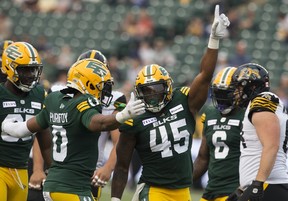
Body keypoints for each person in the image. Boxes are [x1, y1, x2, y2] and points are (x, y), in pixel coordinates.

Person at [111, 5, 230, 201]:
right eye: (146, 92)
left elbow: (205, 75)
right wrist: (115, 198)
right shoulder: (135, 116)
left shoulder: (183, 100)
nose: (152, 96)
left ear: (168, 87)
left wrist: (214, 40)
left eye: (156, 90)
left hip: (183, 191)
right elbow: (123, 165)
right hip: (153, 190)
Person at [1, 58, 146, 201]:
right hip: (73, 188)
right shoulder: (84, 103)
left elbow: (23, 129)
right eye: (103, 86)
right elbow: (99, 123)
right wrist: (123, 115)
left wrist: (5, 125)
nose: (106, 92)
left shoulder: (55, 100)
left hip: (52, 186)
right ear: (89, 84)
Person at [227, 63, 288, 201]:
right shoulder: (257, 103)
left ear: (252, 86)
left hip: (269, 185)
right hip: (266, 184)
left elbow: (271, 145)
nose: (236, 92)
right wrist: (242, 189)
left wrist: (257, 184)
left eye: (240, 86)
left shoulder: (262, 100)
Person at [0, 41, 52, 201]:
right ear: (9, 68)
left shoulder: (39, 94)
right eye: (25, 70)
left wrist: (53, 168)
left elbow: (44, 136)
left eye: (33, 69)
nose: (30, 75)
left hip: (21, 169)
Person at [77, 49, 127, 201]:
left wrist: (107, 167)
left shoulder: (115, 100)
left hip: (91, 171)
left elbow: (120, 142)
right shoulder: (60, 94)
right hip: (62, 168)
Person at [193, 67, 245, 201]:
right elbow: (203, 158)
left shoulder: (248, 115)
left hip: (234, 191)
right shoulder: (210, 113)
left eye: (226, 93)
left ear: (240, 90)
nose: (222, 97)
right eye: (218, 92)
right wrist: (183, 180)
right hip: (211, 190)